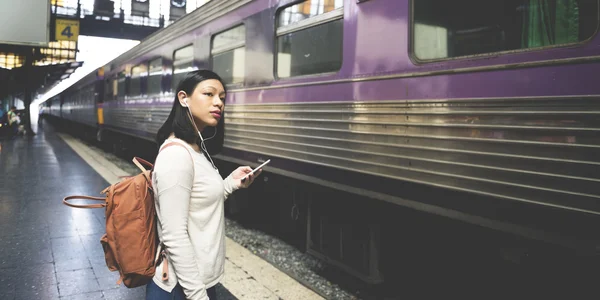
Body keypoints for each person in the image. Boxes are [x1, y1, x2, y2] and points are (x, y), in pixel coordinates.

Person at [146, 70, 261, 300]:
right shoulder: (176, 156)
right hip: (181, 289)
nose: (218, 102)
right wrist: (198, 296)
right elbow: (173, 235)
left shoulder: (197, 148)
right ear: (183, 98)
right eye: (209, 94)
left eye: (222, 97)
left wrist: (230, 184)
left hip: (198, 282)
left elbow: (198, 202)